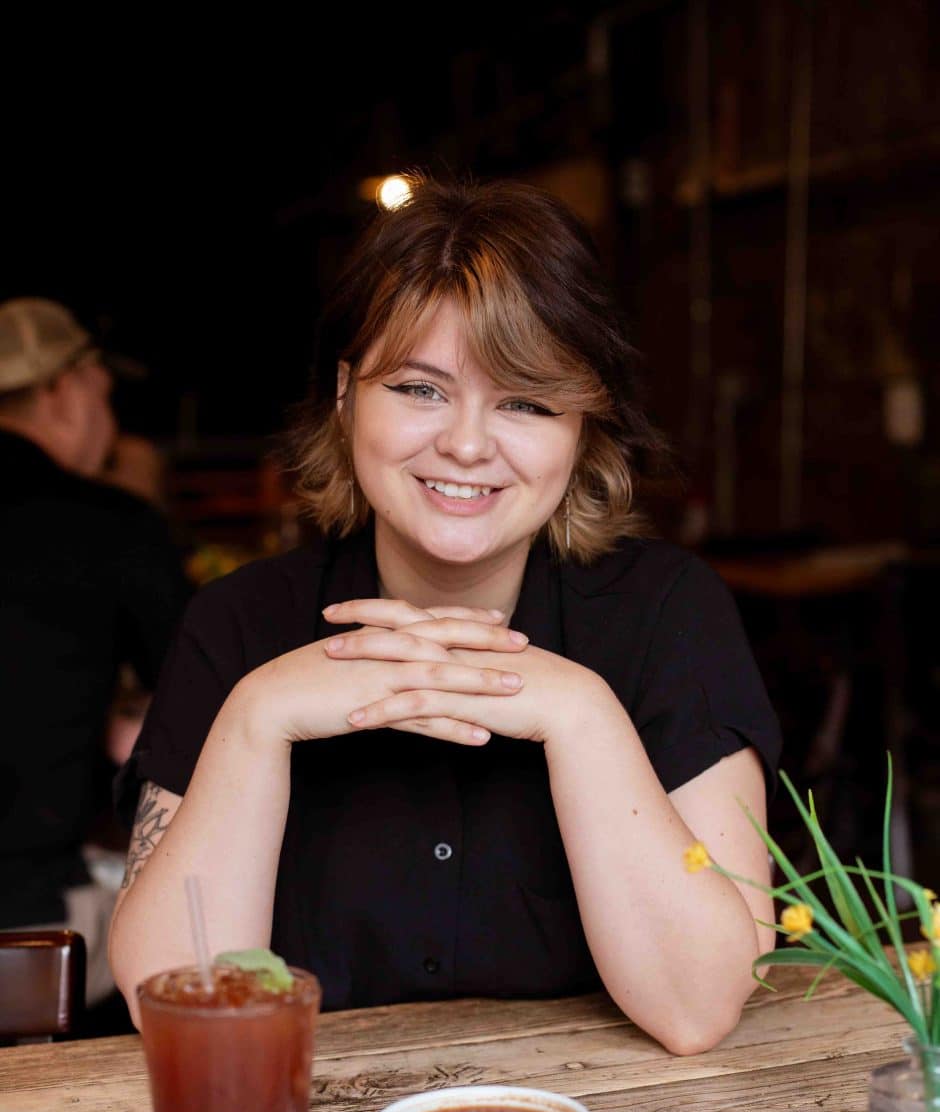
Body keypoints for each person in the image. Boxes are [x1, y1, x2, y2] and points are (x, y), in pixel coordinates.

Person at [110, 180, 781, 1053]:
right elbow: (179, 1013)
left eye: (527, 402)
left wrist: (581, 717)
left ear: (585, 426)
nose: (467, 444)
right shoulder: (239, 623)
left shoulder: (667, 614)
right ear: (348, 393)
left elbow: (698, 1010)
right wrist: (255, 719)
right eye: (422, 390)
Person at [0, 298, 192, 1008]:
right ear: (63, 389)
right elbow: (194, 694)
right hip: (31, 918)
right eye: (105, 398)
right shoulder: (103, 526)